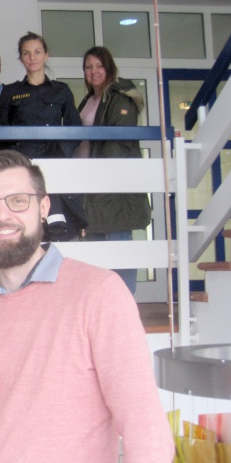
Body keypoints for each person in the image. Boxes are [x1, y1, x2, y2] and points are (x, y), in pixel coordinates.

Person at [0, 150, 174, 463]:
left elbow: (148, 435)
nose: (2, 215)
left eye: (18, 200)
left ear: (43, 207)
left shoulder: (100, 294)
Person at [77, 46, 151, 294]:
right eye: (88, 67)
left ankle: (125, 307)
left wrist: (98, 175)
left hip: (112, 188)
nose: (94, 71)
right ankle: (105, 310)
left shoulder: (120, 97)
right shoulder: (89, 100)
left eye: (99, 65)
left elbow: (118, 143)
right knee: (98, 256)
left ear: (109, 67)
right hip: (91, 188)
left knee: (119, 250)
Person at [0, 31, 83, 240]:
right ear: (20, 58)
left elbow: (75, 128)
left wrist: (61, 153)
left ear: (46, 55)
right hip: (22, 162)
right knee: (24, 215)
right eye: (26, 53)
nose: (32, 57)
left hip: (55, 161)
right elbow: (0, 130)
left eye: (37, 52)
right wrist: (14, 159)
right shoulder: (11, 92)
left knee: (57, 224)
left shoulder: (61, 90)